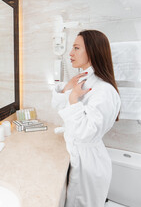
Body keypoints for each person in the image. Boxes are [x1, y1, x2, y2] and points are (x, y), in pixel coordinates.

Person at [52, 30, 121, 207]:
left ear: (92, 51)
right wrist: (68, 88)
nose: (70, 53)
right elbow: (59, 107)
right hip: (79, 156)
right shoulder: (84, 79)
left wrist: (74, 98)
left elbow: (85, 132)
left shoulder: (104, 90)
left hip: (88, 166)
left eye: (76, 48)